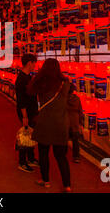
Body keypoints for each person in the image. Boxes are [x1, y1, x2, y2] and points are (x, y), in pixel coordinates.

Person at [28, 58, 72, 192]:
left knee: (43, 154)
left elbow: (30, 91)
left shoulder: (40, 82)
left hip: (45, 123)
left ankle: (45, 181)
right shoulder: (65, 83)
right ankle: (67, 186)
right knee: (61, 157)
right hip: (60, 124)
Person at [15, 53, 39, 173]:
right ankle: (22, 162)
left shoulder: (28, 77)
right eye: (34, 63)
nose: (35, 65)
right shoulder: (21, 79)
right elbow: (20, 100)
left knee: (31, 135)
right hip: (26, 112)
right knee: (25, 136)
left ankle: (30, 158)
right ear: (30, 63)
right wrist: (24, 116)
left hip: (32, 111)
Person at [68, 85, 83, 163]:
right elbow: (80, 111)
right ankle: (76, 157)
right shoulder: (77, 99)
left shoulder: (64, 99)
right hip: (75, 122)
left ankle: (63, 154)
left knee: (64, 140)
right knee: (75, 141)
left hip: (66, 122)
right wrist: (80, 123)